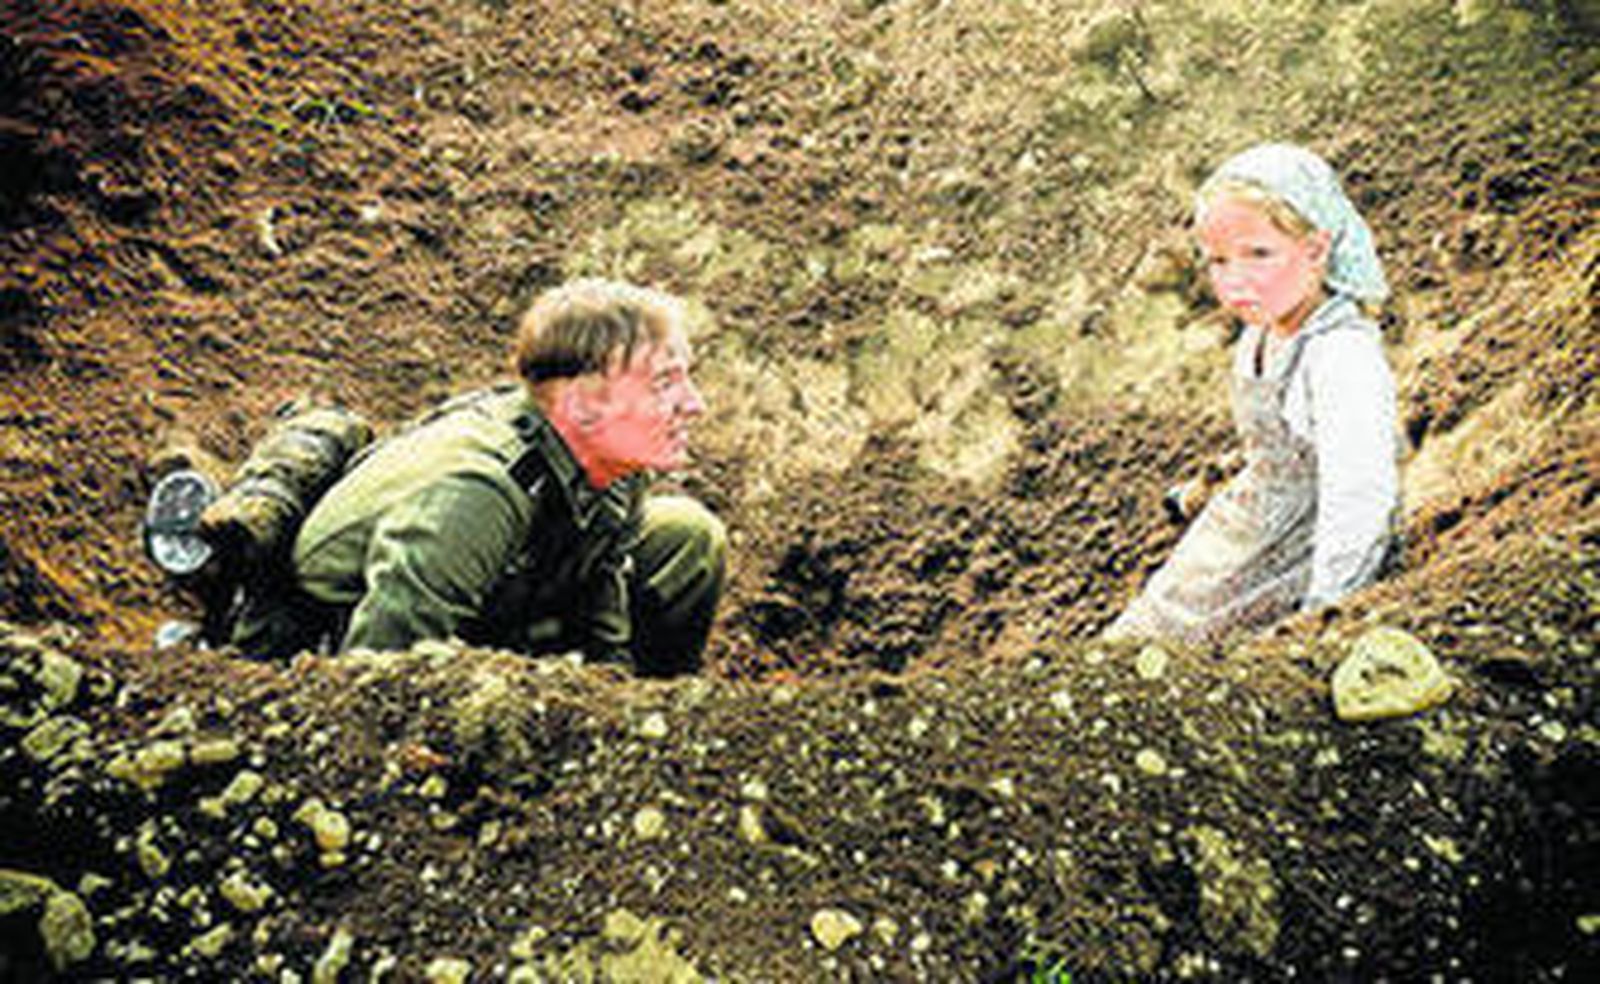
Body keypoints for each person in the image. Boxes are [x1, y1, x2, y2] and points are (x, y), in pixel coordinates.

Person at [224, 278, 726, 676]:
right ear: (581, 404)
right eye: (663, 383)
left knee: (685, 536)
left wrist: (620, 698)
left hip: (500, 586)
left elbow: (602, 582)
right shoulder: (475, 494)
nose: (694, 405)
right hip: (351, 634)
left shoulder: (612, 461)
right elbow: (376, 675)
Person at [1104, 143, 1399, 645]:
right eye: (1218, 260)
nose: (1234, 280)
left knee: (1174, 653)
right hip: (1246, 521)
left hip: (1295, 551)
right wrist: (1208, 489)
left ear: (1316, 249)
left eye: (1258, 254)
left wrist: (1326, 610)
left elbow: (1361, 494)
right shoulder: (1266, 328)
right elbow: (1279, 444)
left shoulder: (1339, 356)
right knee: (1143, 627)